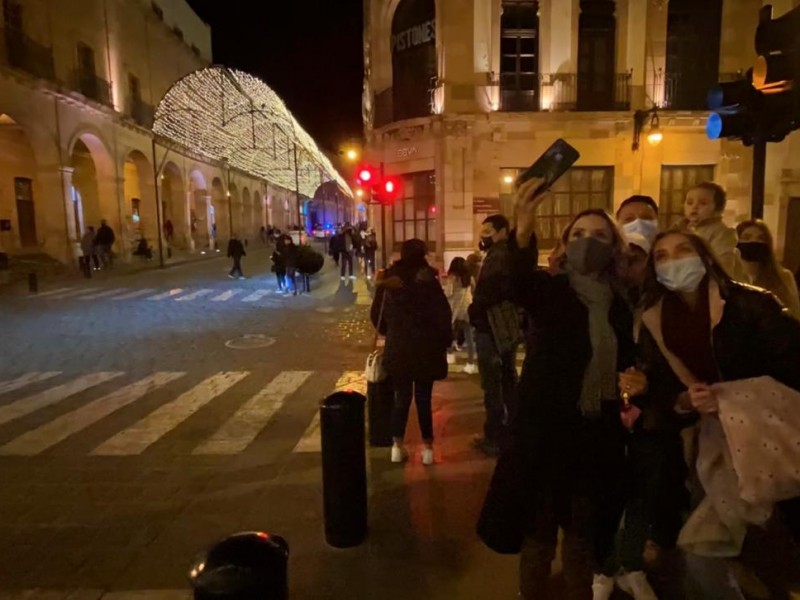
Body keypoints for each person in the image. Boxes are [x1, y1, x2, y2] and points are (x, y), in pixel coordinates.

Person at [637, 229, 800, 599]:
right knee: (710, 542)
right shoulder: (655, 320)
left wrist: (733, 396)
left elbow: (791, 363)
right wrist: (684, 400)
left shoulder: (751, 304)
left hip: (770, 437)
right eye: (662, 257)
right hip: (710, 443)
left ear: (705, 257)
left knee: (773, 534)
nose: (674, 261)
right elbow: (660, 388)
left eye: (683, 251)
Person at [506, 178, 643, 600]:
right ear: (565, 244)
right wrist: (523, 227)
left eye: (600, 235)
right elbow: (516, 281)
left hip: (596, 436)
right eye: (579, 234)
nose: (588, 241)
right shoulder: (553, 290)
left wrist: (637, 380)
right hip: (547, 435)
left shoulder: (622, 304)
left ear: (614, 248)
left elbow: (632, 359)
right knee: (539, 539)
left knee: (582, 541)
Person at [371, 239, 452, 466]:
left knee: (402, 398)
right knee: (424, 399)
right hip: (426, 348)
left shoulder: (390, 279)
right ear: (423, 255)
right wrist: (444, 341)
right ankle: (427, 450)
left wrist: (392, 332)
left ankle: (397, 447)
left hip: (400, 347)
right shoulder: (429, 280)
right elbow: (443, 315)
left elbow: (376, 313)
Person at [468, 214, 519, 456]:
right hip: (498, 328)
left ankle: (495, 436)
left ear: (502, 231)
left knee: (494, 384)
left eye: (488, 230)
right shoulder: (501, 254)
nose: (483, 235)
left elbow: (490, 292)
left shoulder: (500, 256)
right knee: (507, 380)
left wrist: (475, 309)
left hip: (492, 329)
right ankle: (513, 431)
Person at [678, 182, 749, 282]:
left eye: (703, 203)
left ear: (718, 209)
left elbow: (723, 266)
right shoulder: (682, 229)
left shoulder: (723, 233)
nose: (694, 207)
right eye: (689, 202)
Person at [736, 219, 800, 319]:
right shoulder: (729, 275)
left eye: (761, 238)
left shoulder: (783, 276)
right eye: (746, 237)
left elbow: (795, 314)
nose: (754, 242)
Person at [446, 257, 477, 374]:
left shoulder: (453, 278)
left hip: (455, 308)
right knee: (469, 337)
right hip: (467, 308)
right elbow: (474, 290)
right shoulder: (470, 278)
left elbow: (448, 293)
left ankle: (450, 355)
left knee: (449, 331)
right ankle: (470, 363)